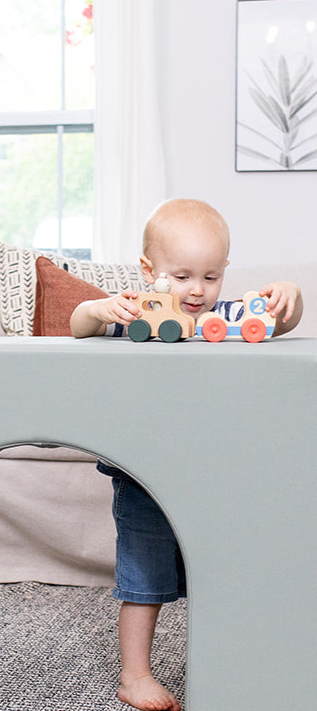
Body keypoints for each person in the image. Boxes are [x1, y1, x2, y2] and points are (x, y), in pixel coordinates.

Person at [69, 198, 303, 711]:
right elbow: (78, 325)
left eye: (211, 276)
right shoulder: (135, 310)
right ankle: (135, 674)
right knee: (143, 575)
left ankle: (242, 658)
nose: (197, 290)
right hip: (144, 474)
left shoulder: (228, 314)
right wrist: (96, 307)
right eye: (181, 276)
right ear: (149, 271)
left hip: (221, 471)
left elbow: (279, 326)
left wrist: (291, 298)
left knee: (233, 568)